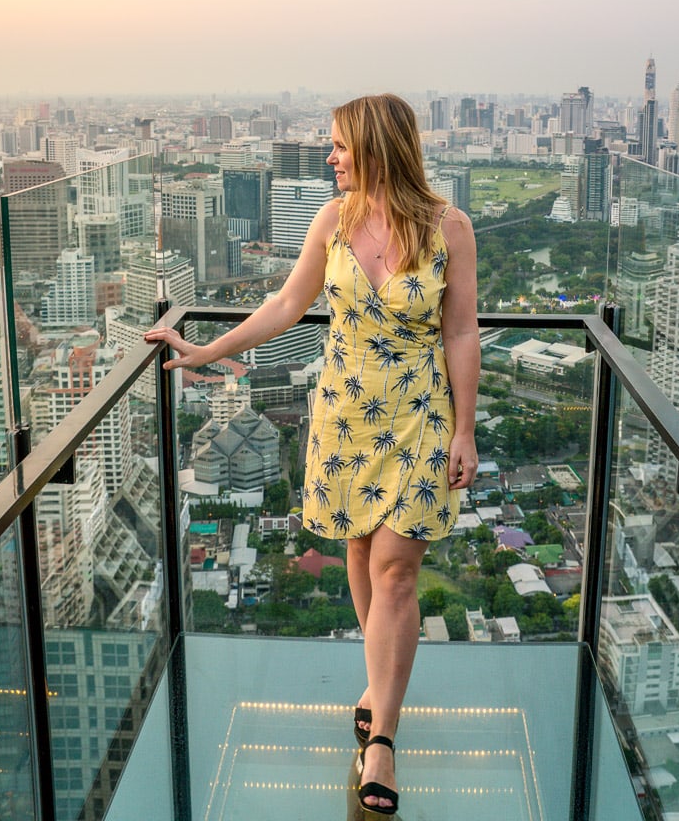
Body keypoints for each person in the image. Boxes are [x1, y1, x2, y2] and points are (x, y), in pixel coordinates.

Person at [145, 93, 479, 815]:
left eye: (338, 145)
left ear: (375, 145)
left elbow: (460, 333)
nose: (329, 157)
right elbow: (284, 307)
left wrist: (465, 430)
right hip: (344, 419)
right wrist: (205, 348)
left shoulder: (451, 227)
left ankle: (383, 736)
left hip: (420, 417)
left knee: (395, 571)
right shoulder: (333, 221)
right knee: (360, 559)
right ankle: (379, 678)